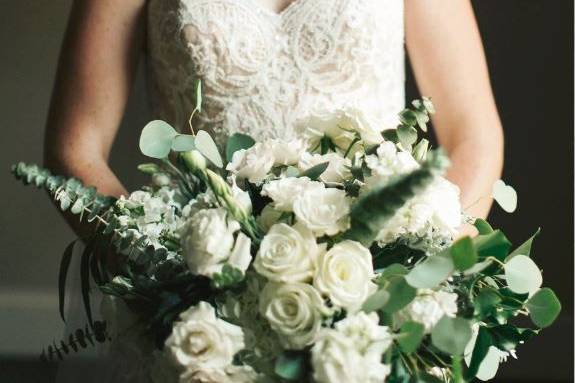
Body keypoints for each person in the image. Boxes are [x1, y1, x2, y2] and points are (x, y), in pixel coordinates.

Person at [45, 1, 503, 381]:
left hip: (376, 310)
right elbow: (75, 147)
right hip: (206, 312)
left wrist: (416, 271)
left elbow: (473, 135)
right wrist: (164, 268)